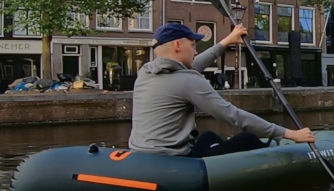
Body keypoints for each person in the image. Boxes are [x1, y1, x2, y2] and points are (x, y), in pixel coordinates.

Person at [129, 22, 315, 157]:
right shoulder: (188, 81)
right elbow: (233, 116)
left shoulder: (145, 72)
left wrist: (227, 41)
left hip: (143, 155)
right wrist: (290, 134)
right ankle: (275, 152)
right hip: (174, 160)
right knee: (246, 139)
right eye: (193, 46)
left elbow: (196, 64)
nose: (195, 52)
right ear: (178, 45)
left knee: (208, 136)